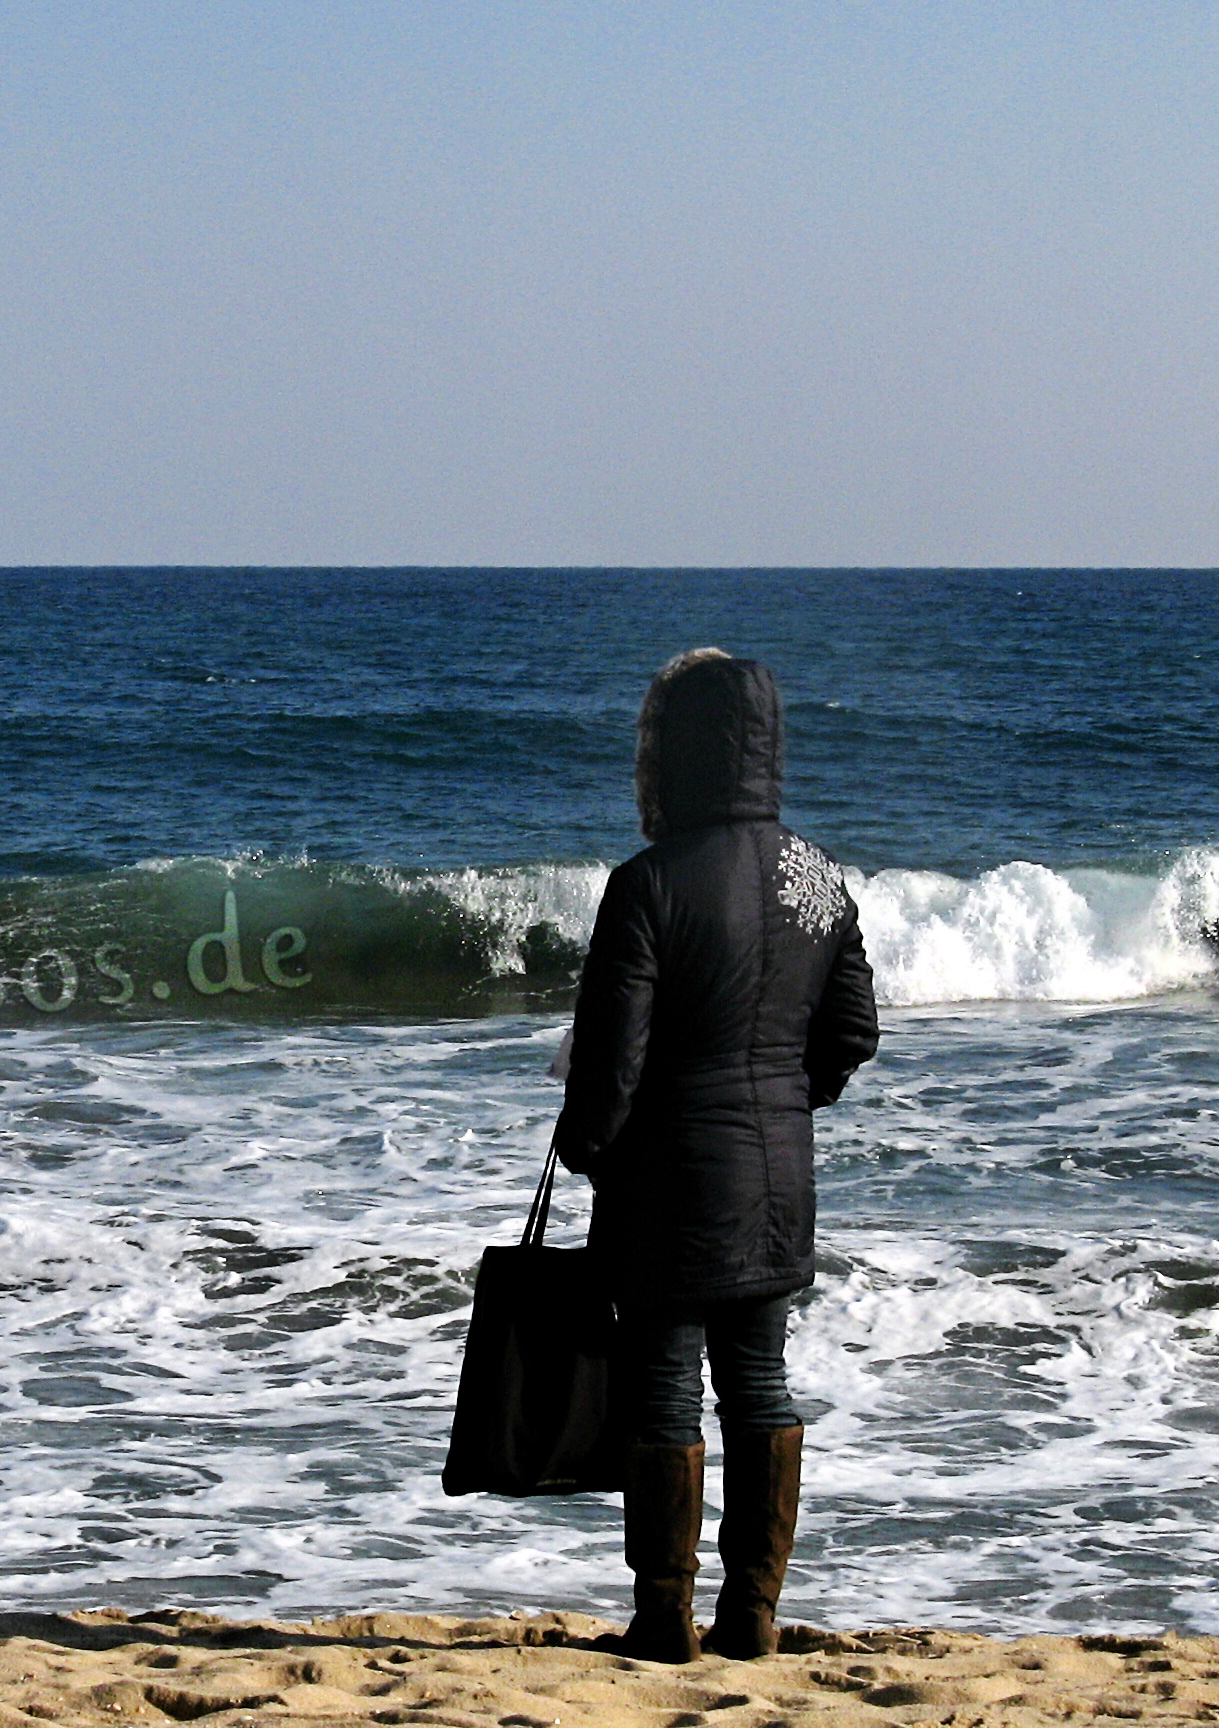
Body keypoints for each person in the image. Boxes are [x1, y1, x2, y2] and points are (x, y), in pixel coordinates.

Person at [552, 648, 880, 1663]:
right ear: (767, 746)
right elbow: (855, 1032)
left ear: (675, 750)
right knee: (760, 1384)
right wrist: (790, 1098)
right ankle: (755, 1611)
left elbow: (612, 1062)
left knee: (663, 1390)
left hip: (669, 1188)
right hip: (780, 1186)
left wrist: (587, 1148)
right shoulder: (821, 881)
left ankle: (664, 1617)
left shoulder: (645, 884)